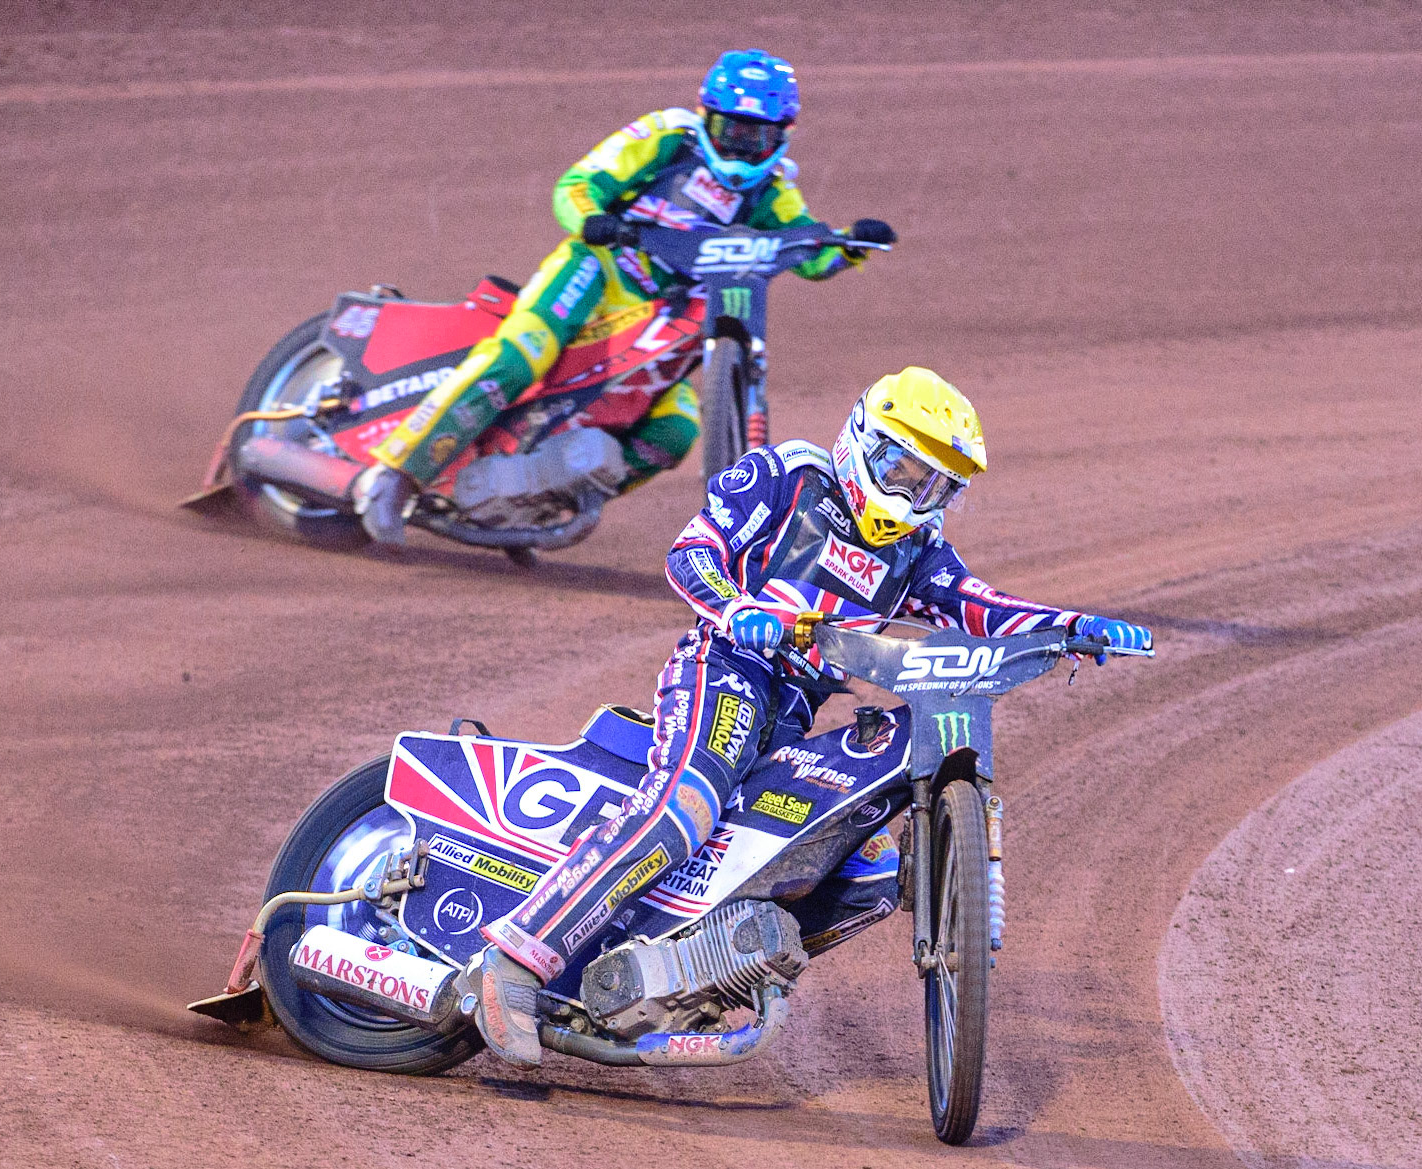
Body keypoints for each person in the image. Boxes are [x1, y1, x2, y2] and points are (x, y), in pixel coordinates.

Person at [471, 366, 1154, 1066]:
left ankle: (694, 979)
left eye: (934, 487)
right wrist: (739, 608)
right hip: (726, 668)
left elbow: (980, 605)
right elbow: (691, 553)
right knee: (685, 805)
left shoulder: (916, 551)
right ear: (864, 441)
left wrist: (1073, 625)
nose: (912, 496)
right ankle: (515, 962)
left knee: (867, 874)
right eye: (903, 470)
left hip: (795, 711)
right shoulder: (787, 476)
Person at [352, 48, 895, 545]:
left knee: (677, 429)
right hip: (601, 272)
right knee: (520, 358)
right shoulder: (666, 137)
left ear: (782, 136)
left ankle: (542, 504)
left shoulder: (773, 189)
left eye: (756, 137)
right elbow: (577, 185)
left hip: (670, 318)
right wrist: (593, 220)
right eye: (730, 130)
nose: (740, 147)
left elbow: (807, 252)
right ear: (706, 116)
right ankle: (396, 475)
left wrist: (850, 245)